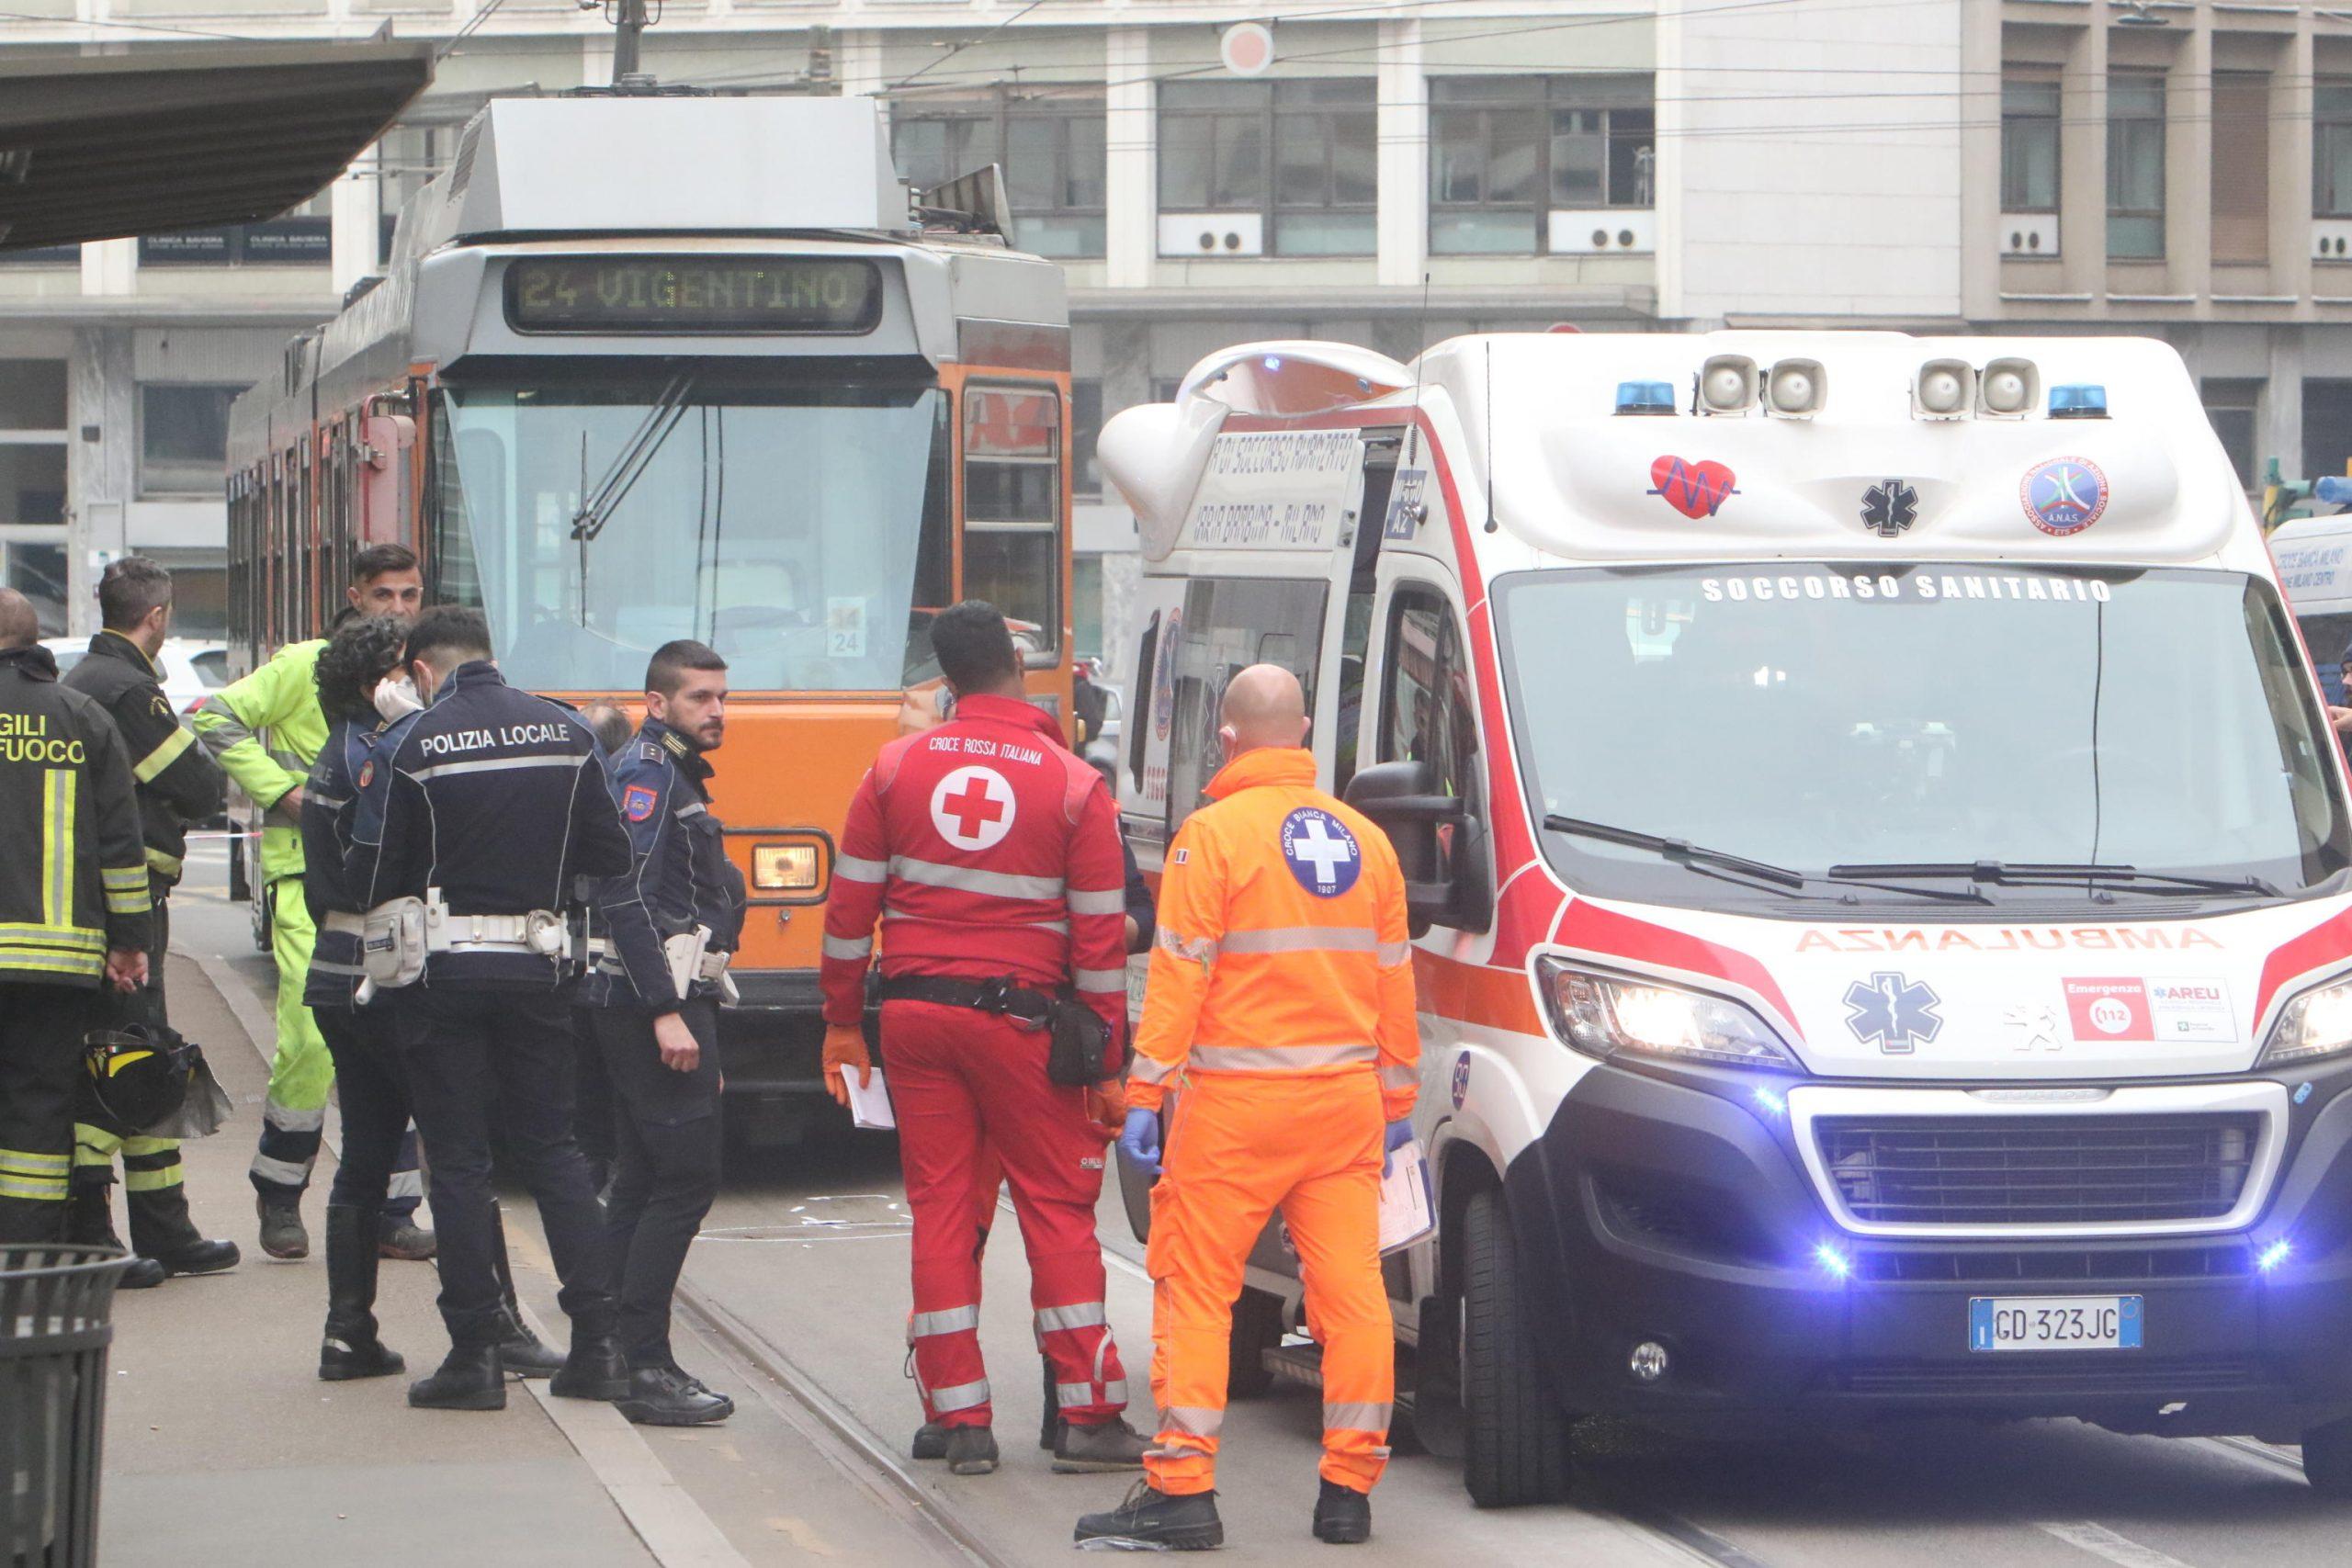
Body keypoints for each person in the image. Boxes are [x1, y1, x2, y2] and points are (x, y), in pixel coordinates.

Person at [1074, 664, 1419, 1551]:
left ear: (1227, 739)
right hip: (1343, 1108)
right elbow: (1394, 982)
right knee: (1353, 1297)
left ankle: (1183, 1487)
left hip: (1235, 1110)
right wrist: (1397, 1101)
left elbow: (1180, 974)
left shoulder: (1210, 836)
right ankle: (1348, 1490)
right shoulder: (1367, 841)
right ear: (1304, 731)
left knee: (1196, 1290)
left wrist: (1145, 1091)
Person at [820, 601, 1148, 1479]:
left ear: (943, 678)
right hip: (1022, 1026)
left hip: (916, 1021)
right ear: (1015, 662)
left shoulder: (892, 771)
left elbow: (848, 915)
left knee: (940, 1205)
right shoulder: (1074, 784)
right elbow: (1099, 946)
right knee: (1055, 1208)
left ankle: (957, 1417)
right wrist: (1110, 1062)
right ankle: (1086, 1412)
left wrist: (845, 1022)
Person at [346, 606, 633, 1411]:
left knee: (461, 1163)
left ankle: (476, 1355)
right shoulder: (567, 733)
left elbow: (374, 871)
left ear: (424, 670)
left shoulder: (410, 744)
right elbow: (610, 854)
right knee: (555, 1151)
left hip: (441, 976)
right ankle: (599, 1347)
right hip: (539, 969)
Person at [302, 615, 567, 1383]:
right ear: (377, 684)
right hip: (392, 969)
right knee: (460, 1152)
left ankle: (348, 1332)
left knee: (366, 1158)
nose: (425, 686)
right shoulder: (386, 753)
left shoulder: (338, 750)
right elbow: (395, 865)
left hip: (337, 969)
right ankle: (497, 1324)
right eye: (407, 672)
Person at [194, 543, 431, 1262]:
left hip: (398, 886)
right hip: (306, 877)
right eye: (384, 594)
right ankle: (280, 1187)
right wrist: (281, 791)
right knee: (307, 1037)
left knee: (401, 1039)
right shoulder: (305, 664)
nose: (398, 608)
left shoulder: (421, 673)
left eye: (410, 595)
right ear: (356, 596)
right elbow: (213, 716)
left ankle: (394, 1208)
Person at [61, 558, 239, 1286]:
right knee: (128, 1060)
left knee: (137, 1052)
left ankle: (157, 1227)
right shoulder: (130, 690)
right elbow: (199, 785)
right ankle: (115, 1232)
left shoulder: (77, 685)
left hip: (100, 904)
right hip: (129, 911)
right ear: (157, 617)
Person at [583, 642, 743, 1426]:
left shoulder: (668, 770)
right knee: (684, 1179)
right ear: (657, 704)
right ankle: (644, 1362)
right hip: (656, 1001)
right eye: (699, 698)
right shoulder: (648, 775)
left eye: (720, 697)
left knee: (644, 1176)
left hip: (664, 996)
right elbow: (627, 897)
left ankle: (601, 1348)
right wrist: (665, 1011)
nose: (716, 711)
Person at [0, 587, 150, 1242]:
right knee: (38, 1110)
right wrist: (129, 942)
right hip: (56, 968)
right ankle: (27, 1257)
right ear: (35, 645)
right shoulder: (83, 717)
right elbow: (122, 848)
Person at [570, 701, 637, 1194]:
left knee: (587, 1084)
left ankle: (596, 1171)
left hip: (580, 974)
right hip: (622, 979)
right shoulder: (643, 791)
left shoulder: (571, 796)